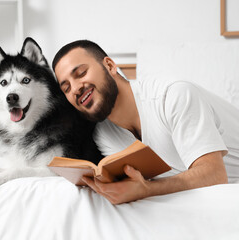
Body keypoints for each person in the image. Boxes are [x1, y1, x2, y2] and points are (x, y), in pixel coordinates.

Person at [52, 40, 239, 204]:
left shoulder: (173, 95)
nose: (75, 89)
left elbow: (215, 175)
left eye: (81, 73)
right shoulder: (104, 135)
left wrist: (147, 190)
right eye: (66, 88)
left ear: (109, 65)